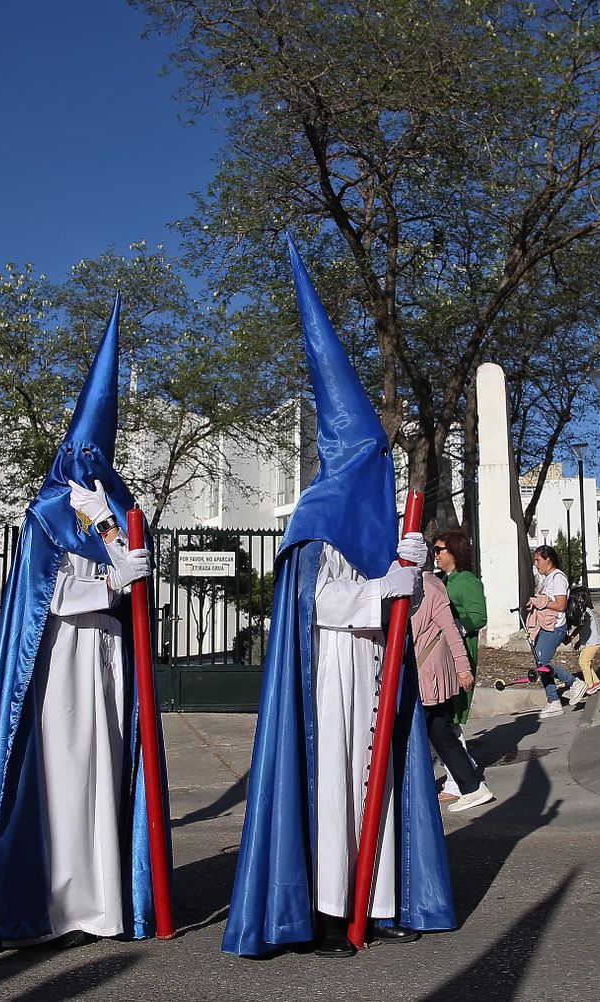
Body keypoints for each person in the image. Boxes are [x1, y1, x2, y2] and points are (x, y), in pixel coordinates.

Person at [223, 240, 453, 960]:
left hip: (377, 667)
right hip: (329, 675)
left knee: (376, 782)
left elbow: (397, 600)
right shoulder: (315, 514)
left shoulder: (383, 517)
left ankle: (378, 897)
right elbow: (315, 604)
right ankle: (325, 909)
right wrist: (380, 591)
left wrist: (408, 575)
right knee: (333, 788)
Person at [0, 297, 166, 950]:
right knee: (66, 774)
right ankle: (60, 902)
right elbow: (51, 597)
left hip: (111, 659)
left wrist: (124, 565)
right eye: (85, 452)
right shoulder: (48, 512)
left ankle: (103, 902)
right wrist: (112, 579)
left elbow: (129, 584)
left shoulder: (117, 509)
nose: (94, 463)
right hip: (64, 664)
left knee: (106, 771)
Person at [412, 571, 492, 813]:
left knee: (422, 734)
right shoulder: (425, 584)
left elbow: (452, 631)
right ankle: (471, 786)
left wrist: (464, 670)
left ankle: (463, 787)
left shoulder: (429, 587)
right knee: (440, 732)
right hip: (427, 676)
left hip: (427, 677)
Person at [430, 529, 486, 801]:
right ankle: (462, 769)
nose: (436, 555)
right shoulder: (439, 580)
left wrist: (450, 626)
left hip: (458, 656)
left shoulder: (467, 581)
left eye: (440, 550)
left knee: (450, 719)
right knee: (442, 719)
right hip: (440, 658)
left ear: (454, 551)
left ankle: (456, 779)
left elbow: (478, 616)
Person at [528, 545, 587, 719]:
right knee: (539, 662)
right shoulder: (547, 579)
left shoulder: (558, 578)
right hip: (546, 626)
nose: (536, 564)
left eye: (538, 560)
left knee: (542, 661)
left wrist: (542, 603)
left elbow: (560, 605)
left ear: (548, 560)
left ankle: (574, 683)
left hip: (555, 627)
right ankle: (553, 701)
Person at [568, 595, 600, 695]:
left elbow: (580, 627)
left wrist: (571, 637)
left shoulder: (585, 612)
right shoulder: (587, 610)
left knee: (583, 662)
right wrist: (579, 641)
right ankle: (596, 682)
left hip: (593, 642)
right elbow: (586, 629)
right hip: (592, 641)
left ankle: (590, 686)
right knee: (586, 662)